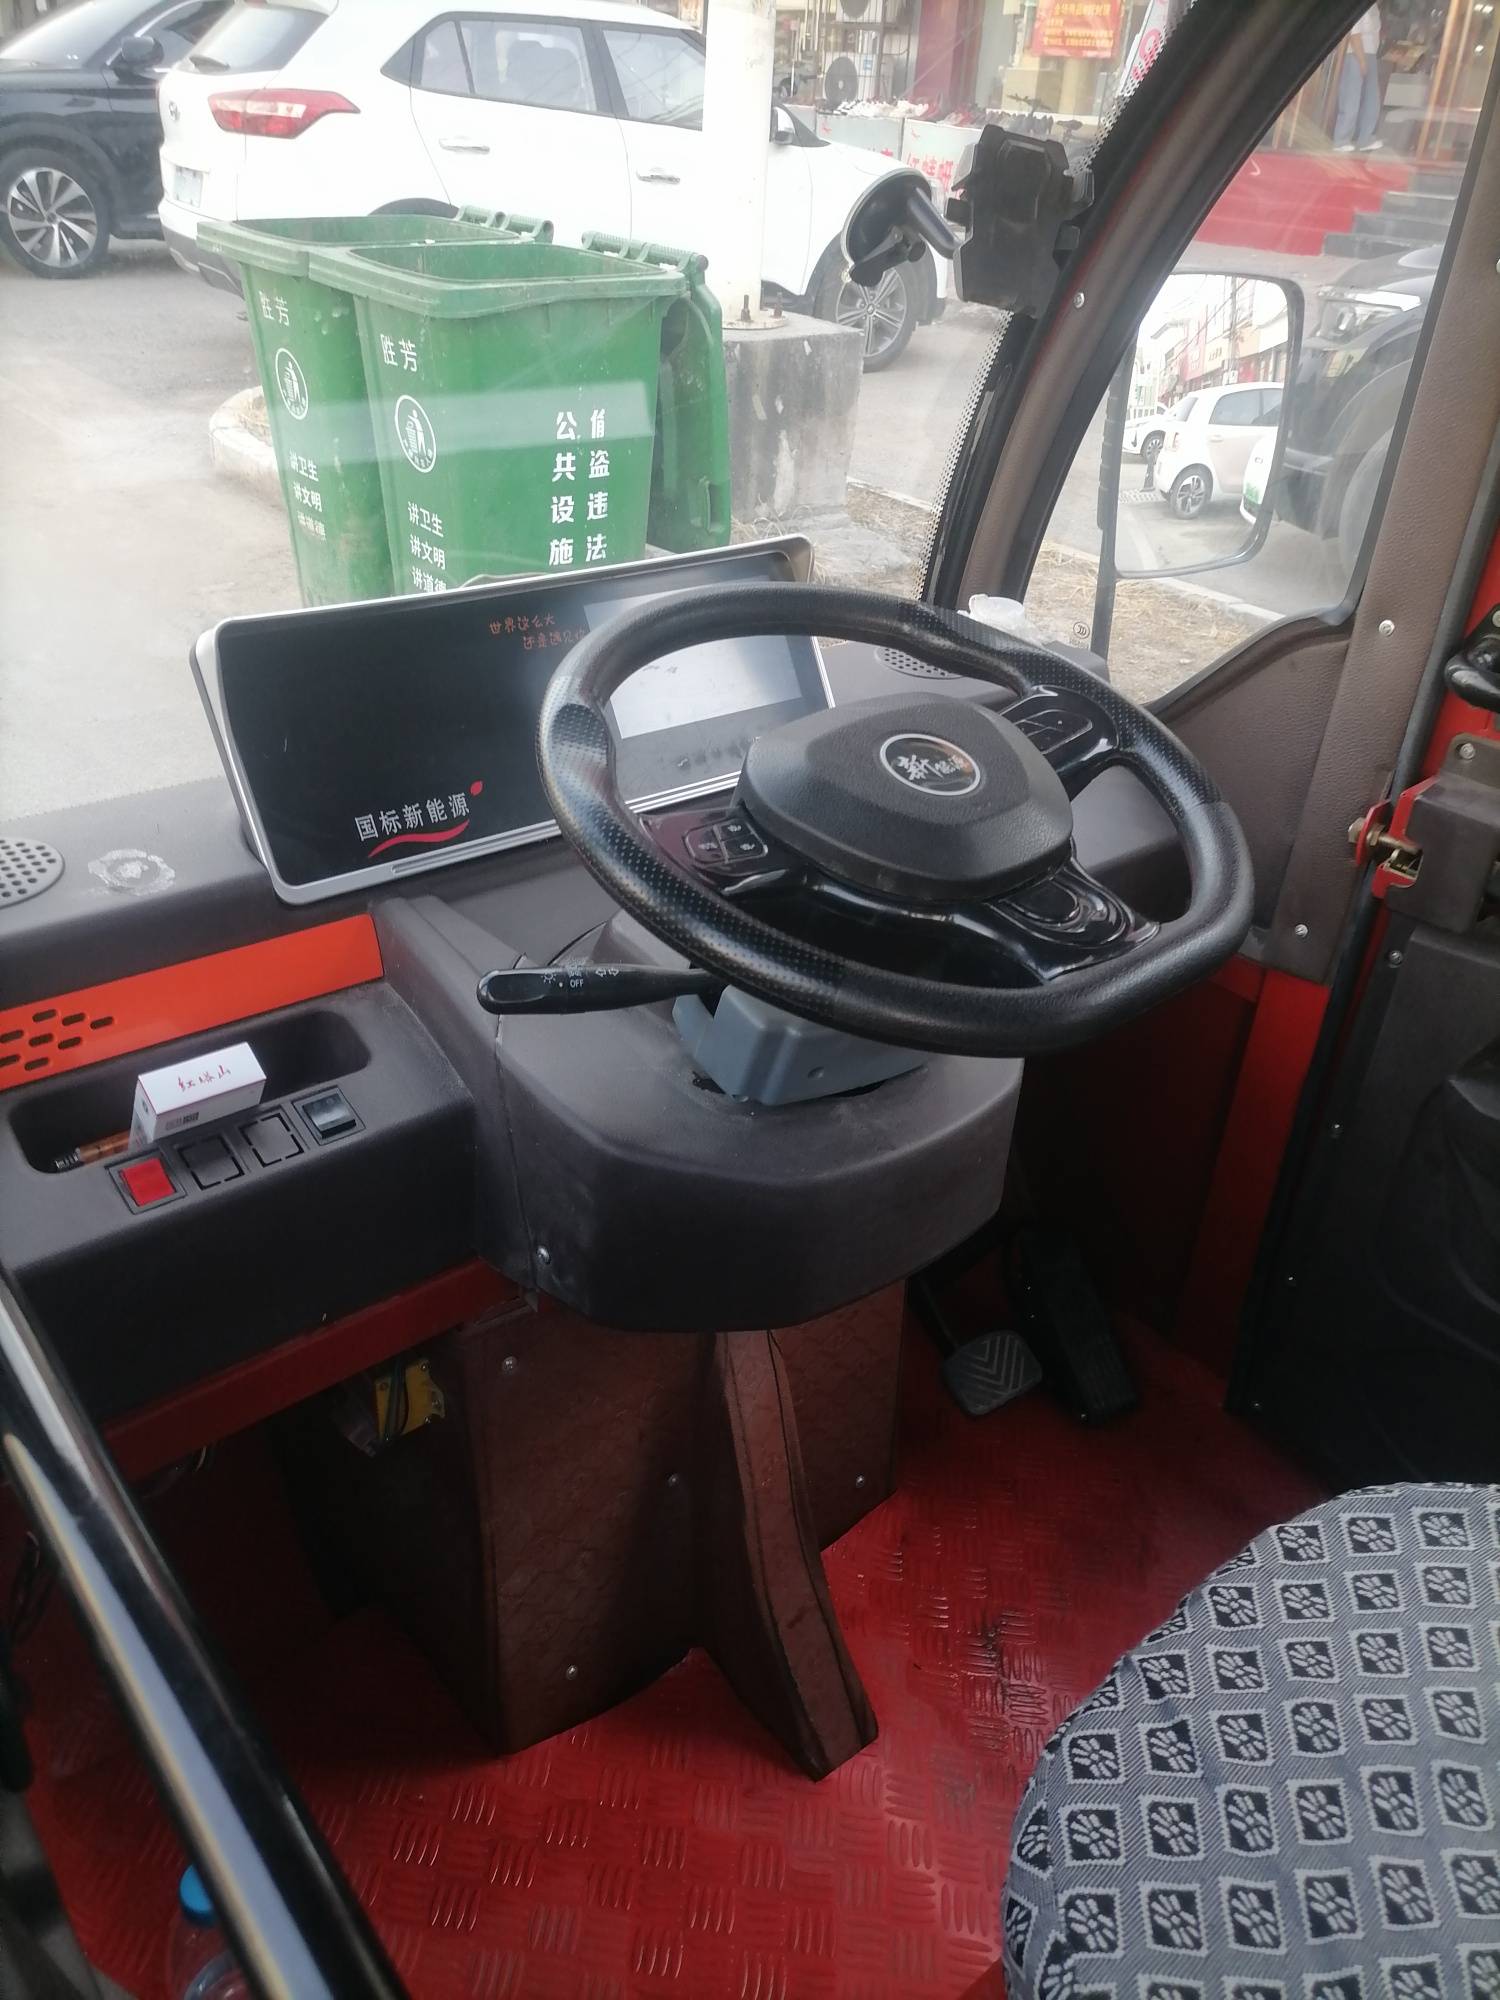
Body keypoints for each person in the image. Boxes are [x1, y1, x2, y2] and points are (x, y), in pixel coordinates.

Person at [1333, 6, 1383, 151]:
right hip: (1355, 54)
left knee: (1372, 99)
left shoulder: (1374, 7)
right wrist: (1361, 60)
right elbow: (1354, 33)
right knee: (1351, 98)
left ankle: (1365, 138)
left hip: (1371, 54)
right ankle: (1341, 139)